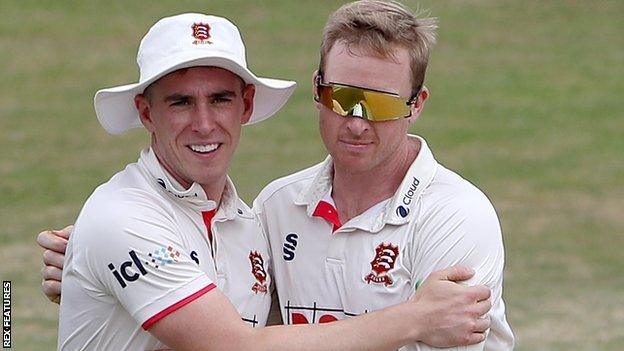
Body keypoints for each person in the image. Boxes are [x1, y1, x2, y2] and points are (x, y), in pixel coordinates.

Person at [41, 11, 492, 351]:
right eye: (180, 102)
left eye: (220, 99)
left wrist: (98, 272)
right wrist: (416, 318)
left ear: (247, 105)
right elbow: (235, 346)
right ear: (146, 113)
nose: (203, 123)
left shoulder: (249, 222)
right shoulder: (125, 218)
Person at [252, 1, 515, 350]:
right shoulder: (277, 206)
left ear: (416, 104)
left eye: (382, 104)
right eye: (342, 97)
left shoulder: (456, 215)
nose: (357, 124)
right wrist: (413, 320)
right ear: (317, 89)